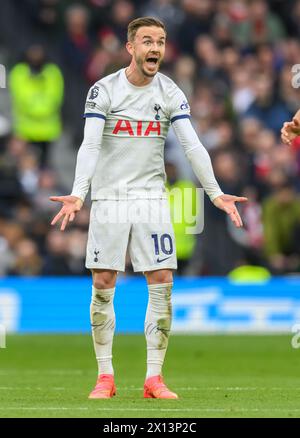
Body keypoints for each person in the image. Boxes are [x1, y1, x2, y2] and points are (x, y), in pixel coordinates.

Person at [50, 17, 247, 400]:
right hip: (109, 199)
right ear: (131, 48)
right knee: (104, 283)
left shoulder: (171, 92)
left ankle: (153, 379)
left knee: (162, 284)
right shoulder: (103, 90)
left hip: (151, 199)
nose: (154, 47)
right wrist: (79, 193)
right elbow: (90, 145)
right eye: (146, 41)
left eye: (160, 41)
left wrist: (215, 192)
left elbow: (192, 145)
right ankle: (105, 377)